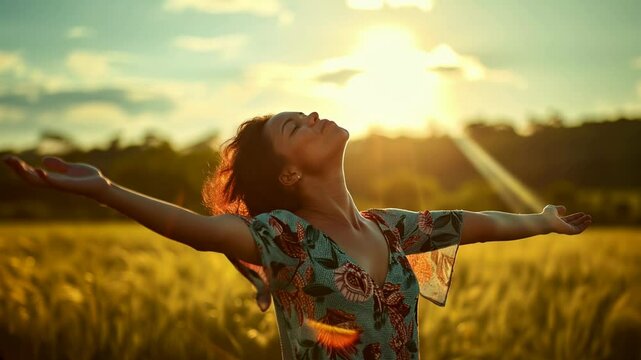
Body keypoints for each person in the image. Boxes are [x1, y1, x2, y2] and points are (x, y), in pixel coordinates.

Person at [2, 111, 592, 359]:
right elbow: (199, 231)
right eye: (295, 124)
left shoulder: (388, 227)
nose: (312, 113)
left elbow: (471, 224)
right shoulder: (284, 236)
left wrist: (541, 221)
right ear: (288, 173)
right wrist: (103, 187)